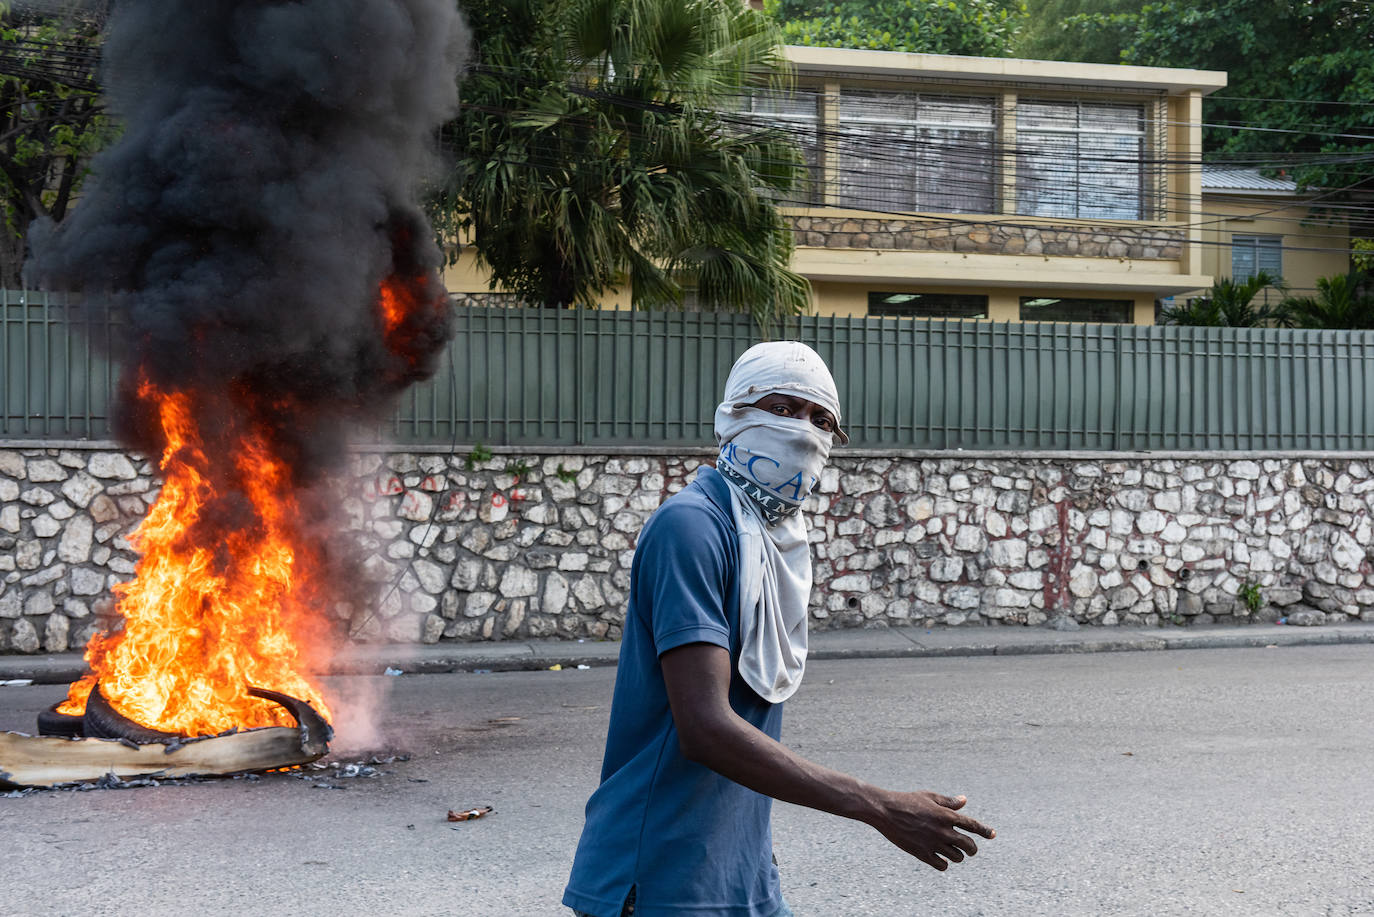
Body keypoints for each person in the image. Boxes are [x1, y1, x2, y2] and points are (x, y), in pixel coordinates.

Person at [563, 342, 994, 917]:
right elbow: (705, 727)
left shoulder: (774, 542)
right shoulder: (693, 527)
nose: (804, 431)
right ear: (735, 416)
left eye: (821, 420)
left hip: (739, 875)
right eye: (783, 409)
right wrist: (880, 806)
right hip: (659, 877)